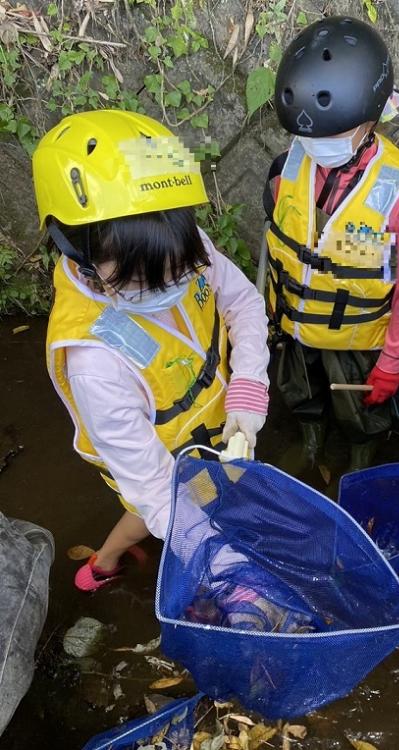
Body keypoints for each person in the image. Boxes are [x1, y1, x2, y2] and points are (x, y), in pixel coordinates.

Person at [33, 110, 270, 591]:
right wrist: (223, 568)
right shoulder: (96, 364)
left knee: (202, 490)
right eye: (144, 279)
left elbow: (244, 303)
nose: (174, 285)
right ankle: (104, 564)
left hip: (210, 428)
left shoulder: (178, 249)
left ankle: (107, 559)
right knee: (145, 512)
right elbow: (157, 492)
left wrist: (247, 385)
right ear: (79, 251)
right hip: (155, 464)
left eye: (181, 267)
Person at [265, 16, 399, 471]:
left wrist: (392, 361)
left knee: (359, 408)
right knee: (300, 389)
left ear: (368, 121)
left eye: (329, 135)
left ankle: (360, 453)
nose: (315, 144)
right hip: (296, 322)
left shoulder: (398, 193)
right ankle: (311, 435)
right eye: (306, 134)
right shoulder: (296, 157)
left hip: (353, 333)